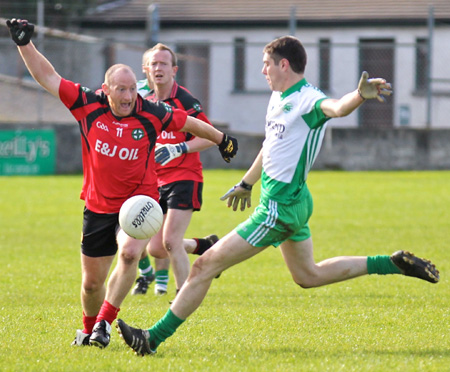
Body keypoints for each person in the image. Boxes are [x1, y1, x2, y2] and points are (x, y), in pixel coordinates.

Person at [116, 35, 440, 356]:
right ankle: (392, 263)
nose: (262, 71)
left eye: (266, 64)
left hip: (279, 208)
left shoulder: (307, 99)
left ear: (284, 64)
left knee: (204, 266)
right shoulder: (279, 96)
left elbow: (336, 108)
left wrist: (358, 95)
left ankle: (152, 338)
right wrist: (246, 183)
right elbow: (271, 146)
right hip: (295, 202)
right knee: (308, 275)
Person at [5, 18, 237, 349]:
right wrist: (24, 44)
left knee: (130, 253)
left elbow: (189, 122)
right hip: (98, 205)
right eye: (122, 90)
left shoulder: (150, 111)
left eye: (132, 89)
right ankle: (88, 327)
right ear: (107, 90)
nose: (129, 96)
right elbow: (48, 77)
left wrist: (222, 139)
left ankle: (103, 323)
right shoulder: (87, 104)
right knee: (90, 285)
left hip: (140, 200)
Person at [130, 43, 219, 297]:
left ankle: (183, 297)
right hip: (154, 181)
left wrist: (179, 148)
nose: (159, 68)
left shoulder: (185, 100)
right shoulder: (143, 101)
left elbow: (211, 137)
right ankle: (206, 245)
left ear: (174, 70)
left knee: (170, 241)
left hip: (184, 177)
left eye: (164, 64)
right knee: (156, 249)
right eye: (154, 64)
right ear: (146, 69)